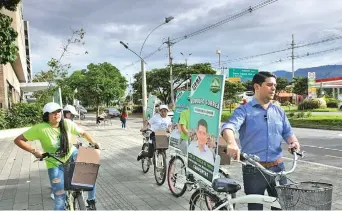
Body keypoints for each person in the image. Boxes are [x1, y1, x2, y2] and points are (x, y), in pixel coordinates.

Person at [220, 71, 300, 210]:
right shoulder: (244, 111)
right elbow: (228, 127)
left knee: (282, 206)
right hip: (254, 169)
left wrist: (293, 142)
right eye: (269, 85)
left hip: (278, 168)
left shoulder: (278, 111)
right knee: (256, 207)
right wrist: (231, 143)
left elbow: (288, 132)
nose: (273, 88)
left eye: (275, 85)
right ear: (257, 86)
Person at [13, 102, 100, 210]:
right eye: (53, 112)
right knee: (59, 197)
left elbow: (83, 133)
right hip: (54, 162)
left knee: (90, 169)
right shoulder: (40, 128)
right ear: (46, 115)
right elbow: (18, 140)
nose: (57, 114)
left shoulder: (67, 123)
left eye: (58, 111)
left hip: (71, 154)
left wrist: (94, 143)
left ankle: (91, 200)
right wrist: (34, 151)